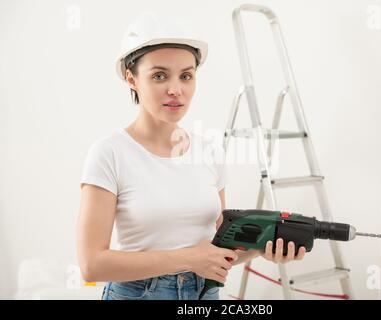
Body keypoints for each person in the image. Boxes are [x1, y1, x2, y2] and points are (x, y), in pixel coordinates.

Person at [77, 13, 306, 300]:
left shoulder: (209, 151)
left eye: (186, 75)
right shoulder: (109, 153)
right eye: (159, 75)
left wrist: (263, 248)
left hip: (203, 294)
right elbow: (91, 264)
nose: (176, 89)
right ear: (131, 78)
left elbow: (218, 250)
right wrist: (189, 259)